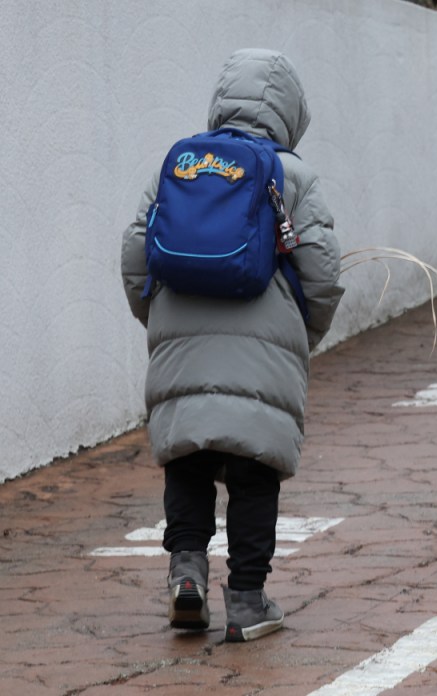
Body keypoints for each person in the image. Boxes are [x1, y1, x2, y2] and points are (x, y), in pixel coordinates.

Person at [120, 49, 344, 642]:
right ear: (291, 113)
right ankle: (246, 599)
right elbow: (321, 274)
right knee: (253, 471)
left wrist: (159, 321)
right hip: (263, 345)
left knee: (187, 462)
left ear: (222, 101)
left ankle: (186, 574)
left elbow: (135, 251)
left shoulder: (181, 163)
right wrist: (302, 336)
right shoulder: (293, 176)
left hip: (180, 336)